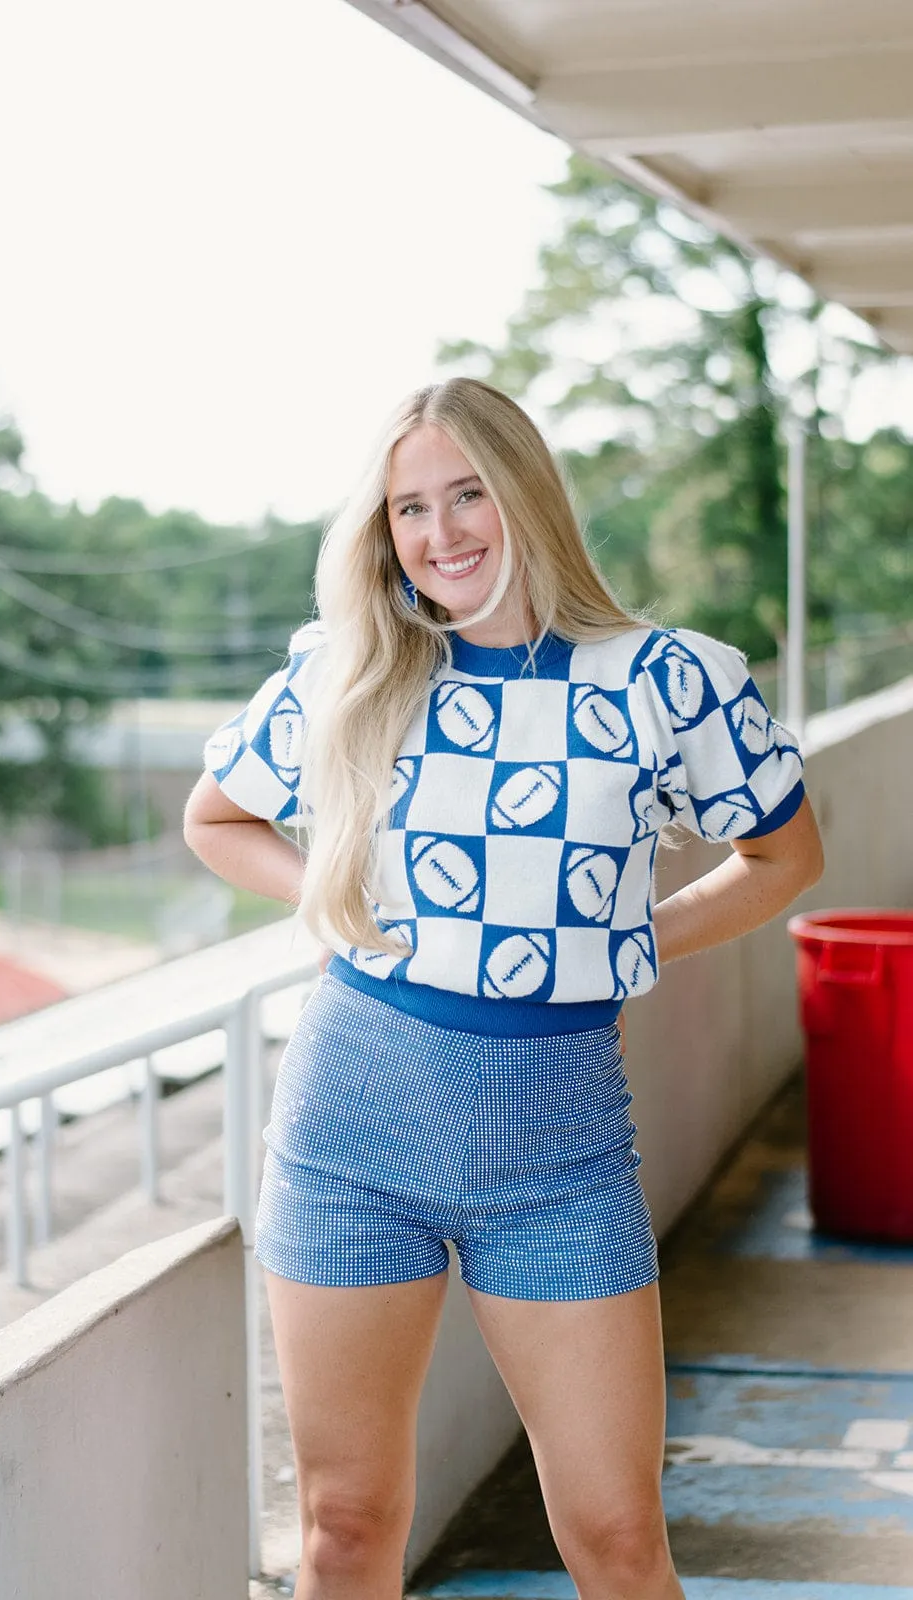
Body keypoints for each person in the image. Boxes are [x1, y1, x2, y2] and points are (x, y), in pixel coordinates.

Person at [183, 378, 824, 1600]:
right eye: (408, 508)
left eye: (466, 491)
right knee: (346, 1525)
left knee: (617, 1539)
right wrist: (336, 898)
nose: (439, 533)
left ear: (524, 490)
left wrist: (628, 936)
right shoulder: (355, 670)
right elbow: (215, 819)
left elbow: (783, 857)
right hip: (348, 1135)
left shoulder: (662, 680)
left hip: (559, 1153)